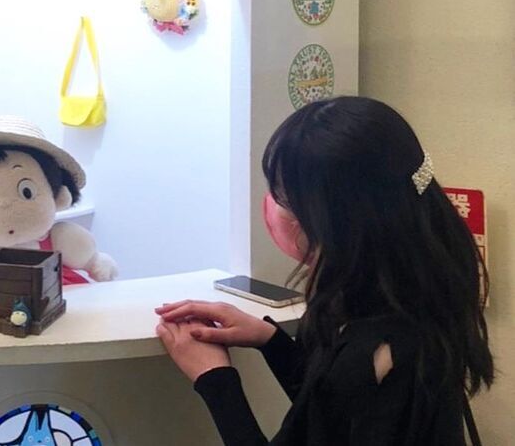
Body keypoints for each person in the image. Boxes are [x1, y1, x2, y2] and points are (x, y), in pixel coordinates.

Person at [155, 96, 493, 445]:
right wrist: (270, 340)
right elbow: (331, 412)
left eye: (288, 199)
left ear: (336, 222)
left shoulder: (381, 349)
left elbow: (341, 397)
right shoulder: (416, 292)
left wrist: (215, 378)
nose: (278, 209)